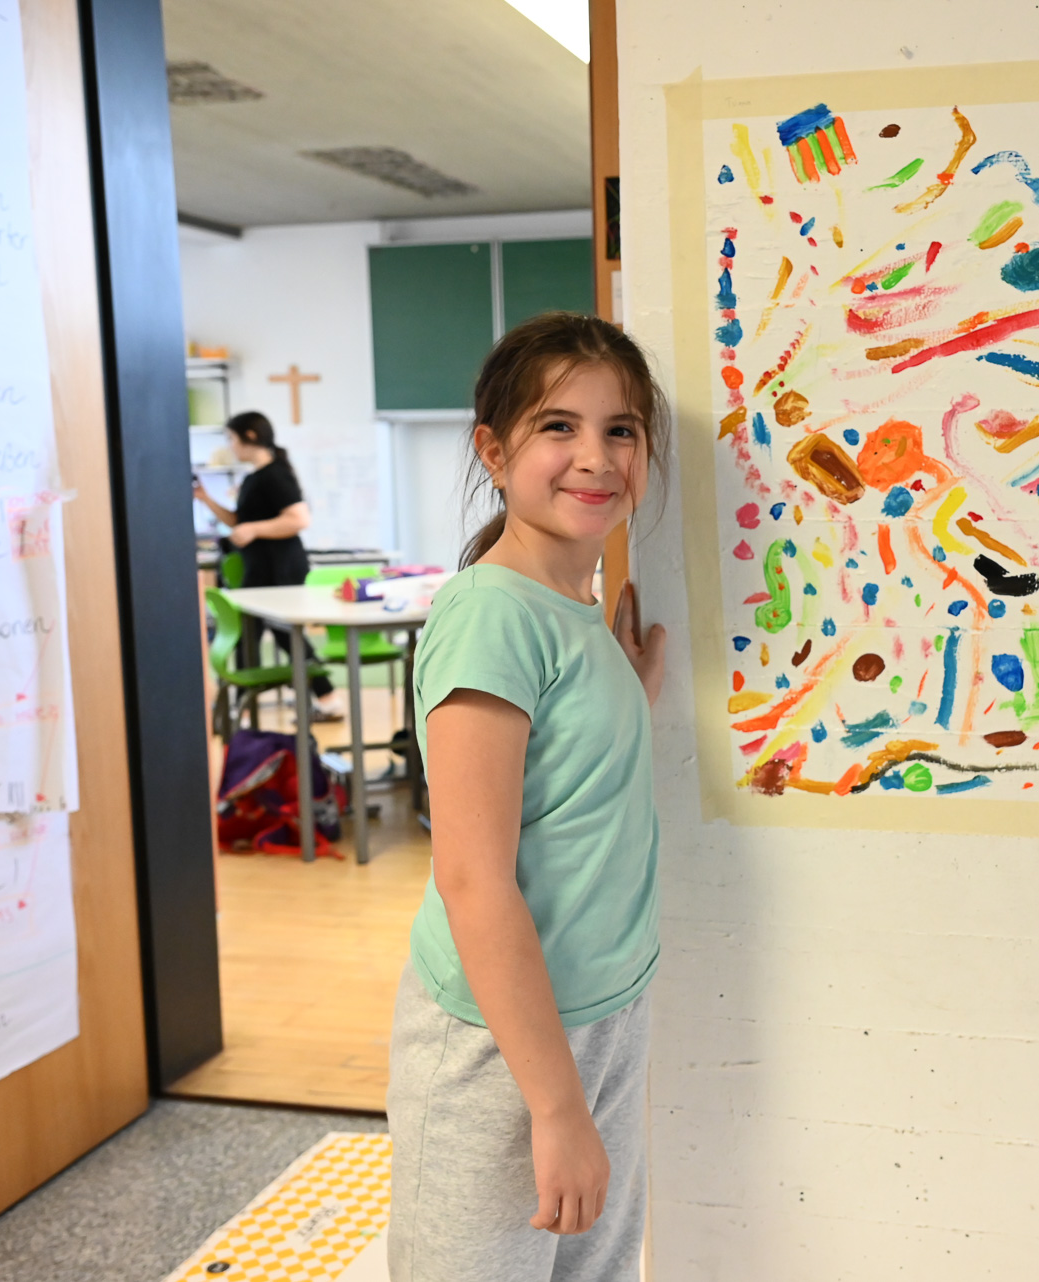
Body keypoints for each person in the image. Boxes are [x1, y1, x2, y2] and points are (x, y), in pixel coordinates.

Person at [385, 312, 668, 1282]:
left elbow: (565, 786)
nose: (596, 456)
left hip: (605, 1015)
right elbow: (473, 879)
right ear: (494, 452)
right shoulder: (490, 614)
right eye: (559, 426)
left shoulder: (571, 612)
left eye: (620, 429)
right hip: (499, 1049)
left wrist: (623, 695)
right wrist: (555, 1107)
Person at [193, 410, 344, 720]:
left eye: (232, 438)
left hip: (280, 569)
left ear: (250, 437)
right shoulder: (254, 478)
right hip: (261, 569)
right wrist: (206, 499)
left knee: (274, 635)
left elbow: (299, 519)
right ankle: (248, 707)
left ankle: (244, 709)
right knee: (257, 636)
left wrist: (254, 529)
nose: (231, 446)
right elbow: (239, 522)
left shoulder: (275, 474)